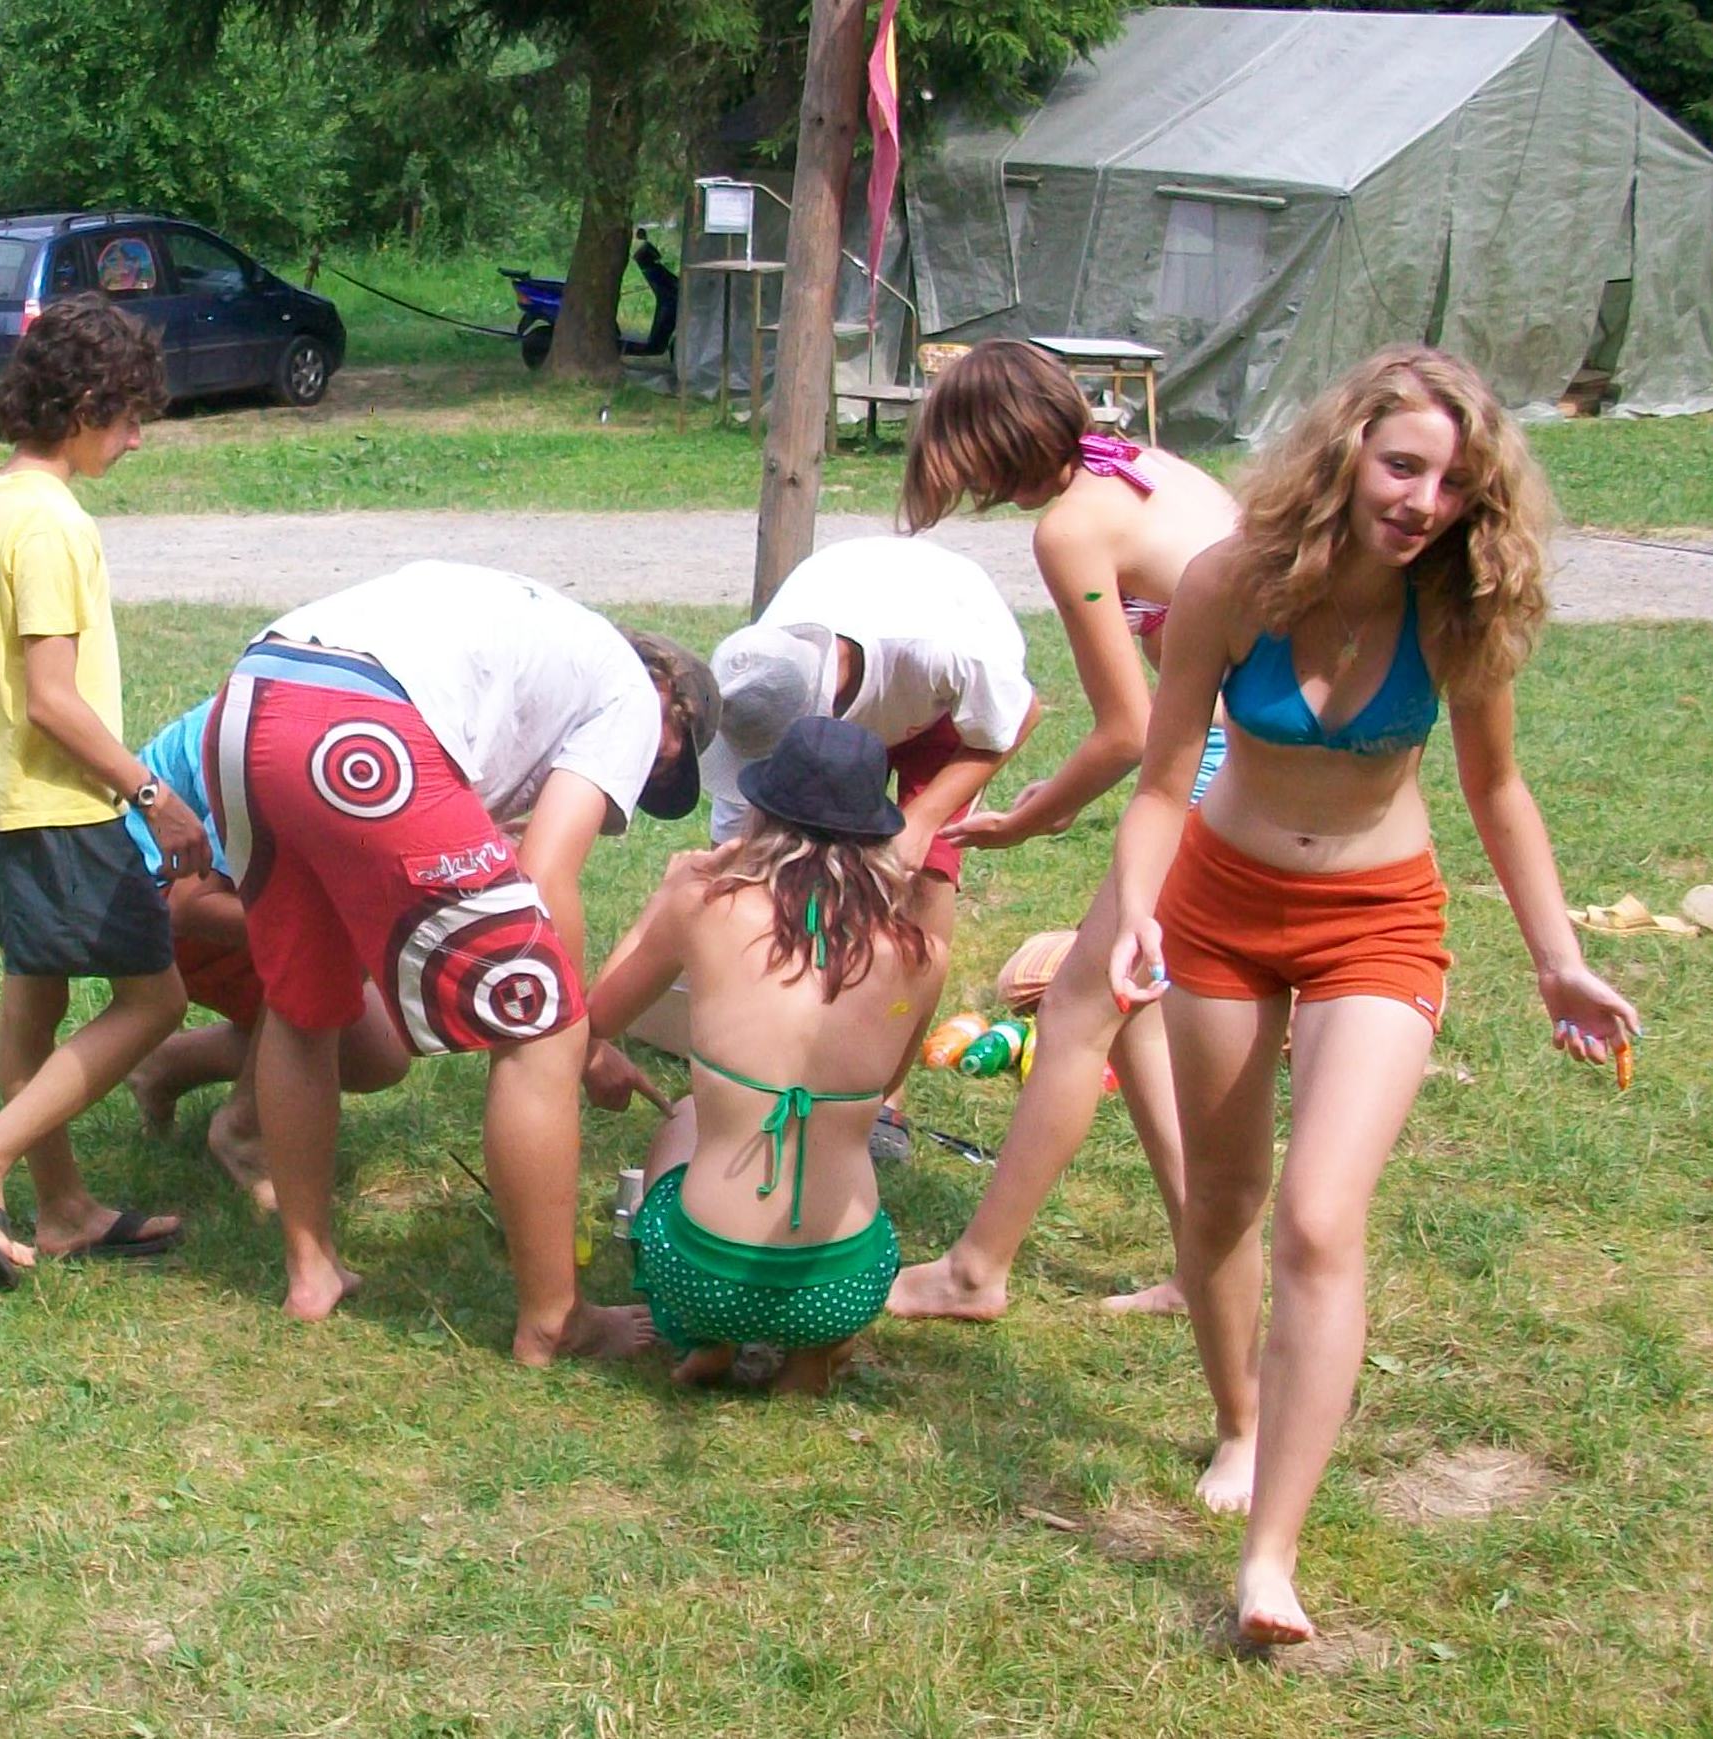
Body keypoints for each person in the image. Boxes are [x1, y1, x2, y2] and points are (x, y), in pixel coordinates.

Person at [1101, 345, 1639, 1646]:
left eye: (1452, 485)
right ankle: (1237, 1419)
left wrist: (1556, 955)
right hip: (1217, 908)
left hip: (1377, 920)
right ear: (1343, 452)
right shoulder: (1229, 582)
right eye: (1402, 467)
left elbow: (1494, 787)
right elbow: (1163, 781)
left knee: (1317, 1216)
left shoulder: (1456, 602)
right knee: (1221, 1197)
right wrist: (1132, 910)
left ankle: (1269, 1557)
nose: (1422, 502)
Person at [206, 560, 716, 1364]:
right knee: (540, 1019)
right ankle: (554, 1320)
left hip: (250, 701)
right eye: (662, 763)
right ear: (671, 708)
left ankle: (311, 1271)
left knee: (304, 1005)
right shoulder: (628, 693)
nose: (643, 774)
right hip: (361, 728)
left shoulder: (543, 642)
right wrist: (583, 1037)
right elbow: (546, 875)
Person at [884, 339, 1240, 1321]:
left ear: (995, 451)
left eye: (970, 470)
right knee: (1138, 999)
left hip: (1225, 766)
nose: (979, 495)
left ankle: (974, 1270)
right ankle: (1202, 1263)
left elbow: (1130, 729)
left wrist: (1029, 818)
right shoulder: (1145, 467)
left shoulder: (1071, 527)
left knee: (1079, 1004)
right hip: (1257, 750)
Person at [0, 294, 206, 1289]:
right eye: (126, 417)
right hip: (62, 804)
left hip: (5, 800)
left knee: (30, 1007)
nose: (135, 438)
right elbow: (50, 698)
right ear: (81, 407)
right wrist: (151, 793)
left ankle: (66, 1207)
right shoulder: (51, 524)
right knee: (155, 999)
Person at [586, 719, 948, 1395]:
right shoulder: (923, 954)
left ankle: (708, 1340)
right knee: (846, 1175)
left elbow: (599, 1017)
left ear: (762, 815)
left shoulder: (705, 904)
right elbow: (889, 1083)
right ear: (876, 835)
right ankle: (812, 1360)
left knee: (688, 1117)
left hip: (703, 1276)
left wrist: (665, 896)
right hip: (843, 1285)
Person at [698, 535, 1042, 1161]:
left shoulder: (945, 651)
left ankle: (882, 1093)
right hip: (868, 688)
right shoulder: (760, 677)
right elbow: (738, 843)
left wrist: (923, 818)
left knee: (924, 877)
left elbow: (1016, 718)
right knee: (775, 876)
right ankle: (781, 1054)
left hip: (944, 715)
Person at [116, 697, 410, 1211]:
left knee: (376, 1055)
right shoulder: (298, 727)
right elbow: (190, 906)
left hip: (205, 893)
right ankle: (244, 1132)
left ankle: (166, 1067)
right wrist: (326, 937)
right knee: (335, 943)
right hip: (150, 898)